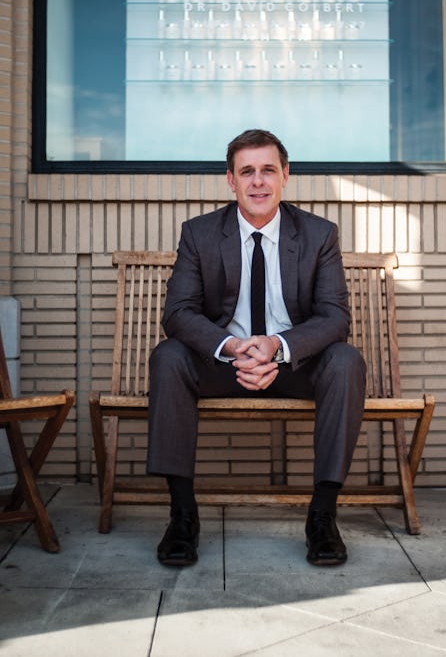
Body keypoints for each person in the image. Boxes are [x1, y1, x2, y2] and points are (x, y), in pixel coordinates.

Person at [147, 128, 366, 567]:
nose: (258, 182)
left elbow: (335, 317)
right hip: (224, 363)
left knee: (346, 361)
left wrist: (277, 346)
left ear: (286, 175)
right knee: (168, 355)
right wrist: (231, 347)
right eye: (247, 172)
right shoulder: (200, 234)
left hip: (293, 363)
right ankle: (182, 516)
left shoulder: (319, 234)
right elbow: (178, 312)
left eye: (268, 170)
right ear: (231, 180)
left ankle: (323, 516)